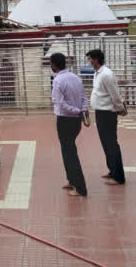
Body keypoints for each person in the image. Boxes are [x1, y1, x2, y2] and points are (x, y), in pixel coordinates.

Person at [49, 53, 88, 197]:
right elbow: (84, 96)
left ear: (53, 64)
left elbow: (60, 103)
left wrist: (77, 111)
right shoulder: (75, 77)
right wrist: (82, 110)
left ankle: (80, 187)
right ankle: (71, 180)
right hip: (75, 120)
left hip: (65, 120)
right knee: (68, 150)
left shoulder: (58, 80)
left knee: (70, 153)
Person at [87, 49, 126, 186]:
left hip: (107, 113)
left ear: (96, 59)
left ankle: (119, 177)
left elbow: (115, 94)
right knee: (106, 144)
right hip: (100, 112)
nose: (89, 61)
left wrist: (120, 109)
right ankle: (112, 170)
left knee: (111, 144)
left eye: (90, 58)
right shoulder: (97, 73)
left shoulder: (107, 75)